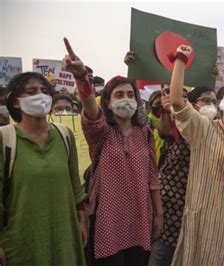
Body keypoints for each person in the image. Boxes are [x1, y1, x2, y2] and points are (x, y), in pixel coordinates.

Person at [61, 38, 163, 266]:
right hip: (108, 221)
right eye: (119, 95)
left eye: (130, 95)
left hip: (140, 217)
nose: (126, 99)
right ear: (107, 101)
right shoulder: (101, 132)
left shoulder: (145, 132)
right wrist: (81, 77)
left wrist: (159, 213)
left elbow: (153, 177)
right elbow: (89, 106)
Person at [169, 45, 224, 266]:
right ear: (220, 102)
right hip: (206, 218)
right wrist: (180, 60)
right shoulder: (204, 128)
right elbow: (178, 102)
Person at [0, 72, 88, 265]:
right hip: (22, 242)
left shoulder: (64, 135)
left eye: (45, 91)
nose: (41, 95)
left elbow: (75, 187)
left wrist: (82, 221)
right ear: (16, 102)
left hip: (64, 237)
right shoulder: (5, 139)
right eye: (32, 91)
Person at [148, 85, 217, 266]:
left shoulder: (219, 130)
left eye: (214, 102)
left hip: (200, 203)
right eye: (205, 101)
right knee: (165, 251)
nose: (211, 105)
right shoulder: (183, 126)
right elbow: (164, 132)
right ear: (192, 105)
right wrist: (166, 109)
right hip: (174, 203)